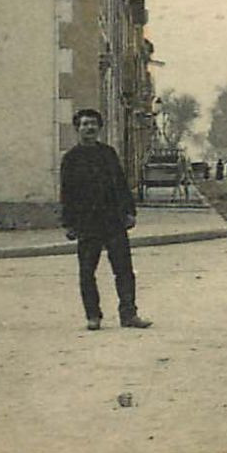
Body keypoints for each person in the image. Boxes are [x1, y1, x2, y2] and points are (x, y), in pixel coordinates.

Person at [61, 108, 152, 330]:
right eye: (84, 124)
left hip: (113, 220)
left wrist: (130, 212)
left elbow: (121, 185)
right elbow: (66, 193)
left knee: (124, 270)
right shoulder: (71, 159)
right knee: (87, 271)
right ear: (77, 129)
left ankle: (129, 314)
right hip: (86, 223)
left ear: (99, 128)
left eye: (93, 124)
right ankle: (93, 316)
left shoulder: (108, 154)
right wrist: (69, 223)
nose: (89, 128)